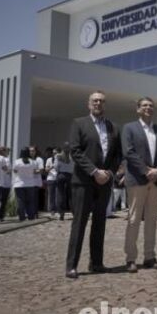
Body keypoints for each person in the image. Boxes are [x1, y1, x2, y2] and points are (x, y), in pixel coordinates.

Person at [65, 91, 121, 279]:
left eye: (101, 101)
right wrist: (94, 171)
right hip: (83, 182)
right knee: (79, 223)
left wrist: (109, 173)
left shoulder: (113, 127)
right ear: (89, 104)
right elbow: (75, 151)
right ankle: (71, 265)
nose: (98, 103)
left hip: (104, 182)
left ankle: (96, 263)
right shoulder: (79, 124)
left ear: (105, 105)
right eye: (95, 101)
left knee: (100, 223)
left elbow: (117, 154)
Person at [121, 97, 157, 273]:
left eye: (151, 106)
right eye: (144, 105)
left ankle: (149, 256)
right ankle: (130, 258)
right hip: (137, 180)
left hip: (155, 181)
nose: (148, 108)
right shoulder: (129, 128)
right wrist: (146, 170)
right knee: (133, 220)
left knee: (152, 220)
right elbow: (128, 152)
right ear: (138, 109)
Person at [12, 147, 39, 220]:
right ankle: (31, 216)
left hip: (19, 184)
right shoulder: (33, 161)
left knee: (21, 201)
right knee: (30, 201)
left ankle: (22, 217)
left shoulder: (17, 161)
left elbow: (14, 171)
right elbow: (34, 171)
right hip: (30, 184)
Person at [54, 143, 74, 220]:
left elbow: (56, 167)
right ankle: (74, 212)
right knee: (71, 195)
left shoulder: (58, 156)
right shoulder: (72, 156)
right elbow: (74, 167)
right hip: (70, 176)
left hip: (61, 175)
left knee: (60, 194)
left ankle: (61, 213)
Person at [29, 145, 44, 217]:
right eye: (30, 151)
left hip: (36, 181)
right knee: (29, 198)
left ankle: (35, 213)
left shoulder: (39, 159)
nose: (31, 152)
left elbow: (41, 170)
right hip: (28, 182)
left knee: (34, 198)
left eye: (33, 151)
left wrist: (32, 171)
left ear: (36, 151)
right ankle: (29, 212)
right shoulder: (28, 160)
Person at [45, 148, 59, 217]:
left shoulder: (60, 160)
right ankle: (52, 209)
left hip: (58, 179)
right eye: (53, 153)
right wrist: (52, 167)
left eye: (56, 153)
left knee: (58, 195)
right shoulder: (49, 160)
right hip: (50, 178)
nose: (54, 154)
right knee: (51, 195)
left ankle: (58, 209)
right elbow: (46, 170)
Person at [0, 147, 12, 221]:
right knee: (3, 201)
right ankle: (0, 216)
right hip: (5, 183)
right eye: (7, 151)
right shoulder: (6, 160)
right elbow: (8, 171)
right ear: (3, 152)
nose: (8, 152)